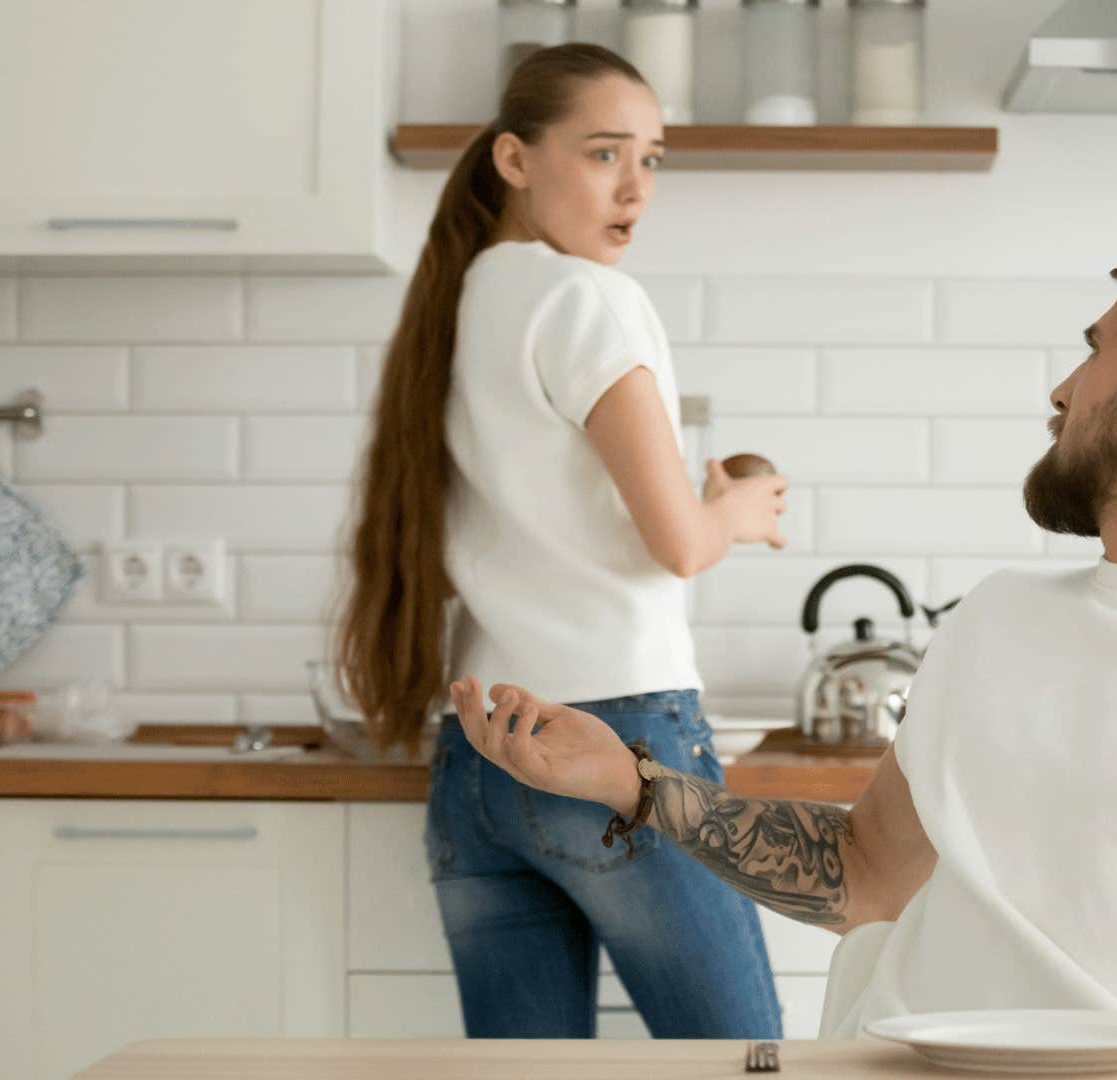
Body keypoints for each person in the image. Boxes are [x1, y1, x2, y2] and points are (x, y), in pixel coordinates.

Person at [445, 241, 1117, 1078]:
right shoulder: (997, 616)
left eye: (1093, 353)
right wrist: (630, 783)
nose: (1064, 392)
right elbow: (862, 874)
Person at [333, 44, 789, 1040]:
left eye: (653, 159)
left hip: (480, 756)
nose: (635, 188)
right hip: (616, 744)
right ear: (513, 159)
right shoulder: (588, 299)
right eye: (603, 154)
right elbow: (678, 541)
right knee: (744, 1064)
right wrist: (743, 508)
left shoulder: (453, 311)